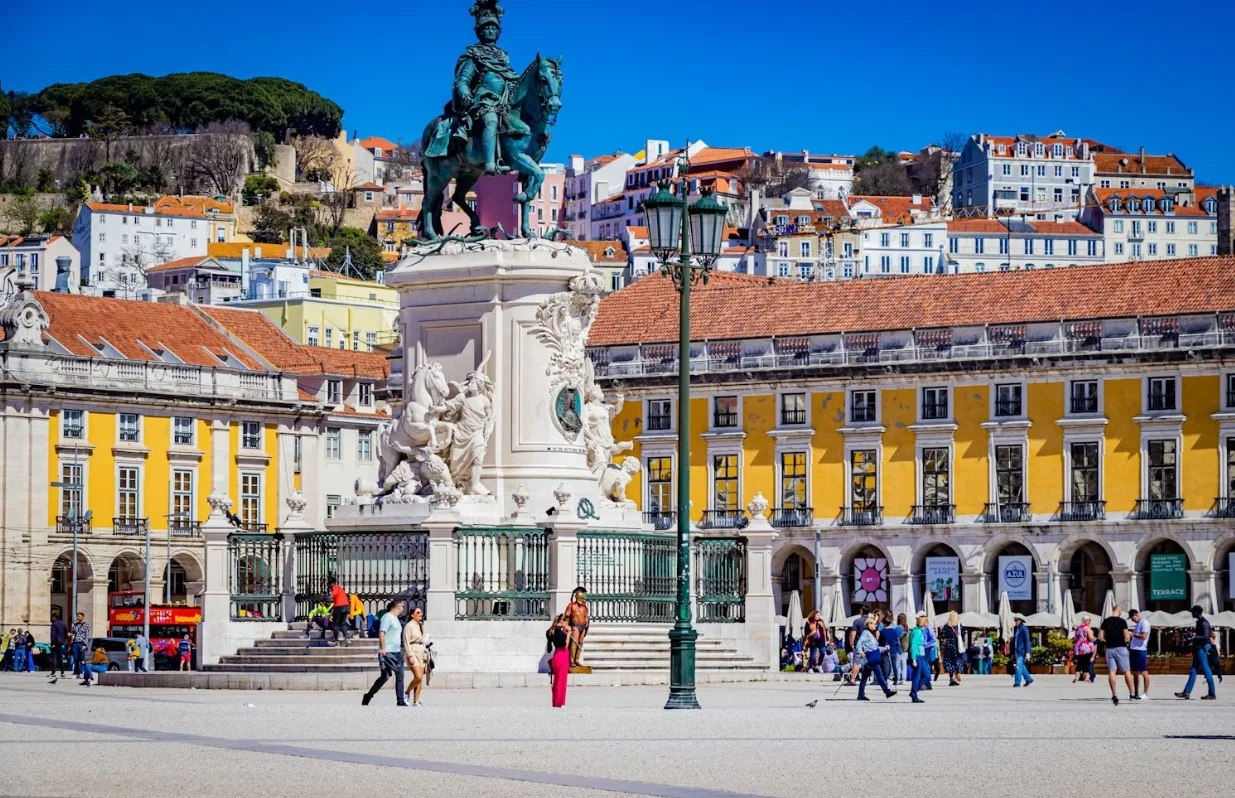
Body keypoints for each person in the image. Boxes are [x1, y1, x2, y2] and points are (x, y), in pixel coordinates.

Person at [362, 599, 407, 707]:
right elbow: (382, 633)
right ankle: (369, 695)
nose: (403, 609)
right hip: (388, 651)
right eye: (403, 607)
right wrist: (383, 649)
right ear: (398, 606)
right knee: (387, 676)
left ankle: (399, 700)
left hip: (397, 651)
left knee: (395, 675)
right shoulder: (387, 617)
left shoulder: (396, 618)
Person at [1176, 605, 1217, 700]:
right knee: (1193, 671)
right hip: (1197, 649)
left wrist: (1193, 636)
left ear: (1196, 612)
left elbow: (1206, 637)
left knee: (1207, 671)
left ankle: (1212, 693)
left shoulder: (1204, 623)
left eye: (1192, 612)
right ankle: (1186, 692)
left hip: (1201, 650)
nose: (1191, 613)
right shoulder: (1200, 622)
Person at [1098, 605, 1133, 705]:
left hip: (1109, 649)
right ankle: (1132, 694)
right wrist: (1129, 636)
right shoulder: (1122, 621)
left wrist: (1108, 640)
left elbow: (1100, 637)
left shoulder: (1105, 621)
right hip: (1121, 648)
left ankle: (1114, 694)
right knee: (1127, 671)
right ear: (1119, 611)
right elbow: (1126, 637)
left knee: (1112, 671)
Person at [855, 616, 896, 701]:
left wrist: (883, 648)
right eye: (874, 624)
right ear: (869, 624)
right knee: (879, 674)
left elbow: (874, 647)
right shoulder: (866, 633)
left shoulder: (870, 633)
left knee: (864, 677)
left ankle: (861, 694)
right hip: (871, 659)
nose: (876, 626)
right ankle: (887, 691)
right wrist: (861, 652)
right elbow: (859, 644)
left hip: (870, 657)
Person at [402, 607, 430, 707]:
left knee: (420, 679)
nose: (420, 614)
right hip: (413, 650)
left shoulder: (421, 625)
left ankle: (416, 701)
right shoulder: (409, 626)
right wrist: (410, 655)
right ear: (412, 615)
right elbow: (406, 641)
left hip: (422, 651)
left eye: (421, 612)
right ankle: (406, 693)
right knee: (418, 676)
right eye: (418, 612)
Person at [546, 614, 570, 708]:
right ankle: (560, 702)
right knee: (562, 681)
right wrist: (568, 634)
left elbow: (550, 647)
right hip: (562, 656)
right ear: (563, 621)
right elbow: (565, 645)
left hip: (556, 656)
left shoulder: (552, 631)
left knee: (556, 681)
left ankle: (556, 702)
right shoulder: (559, 632)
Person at [1128, 609, 1151, 700]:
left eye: (1132, 618)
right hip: (1134, 650)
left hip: (1140, 650)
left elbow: (1144, 636)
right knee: (1135, 672)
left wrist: (1133, 634)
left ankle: (1145, 693)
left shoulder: (1144, 623)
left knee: (1144, 672)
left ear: (1136, 615)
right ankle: (1136, 692)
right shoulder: (1139, 623)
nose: (1132, 620)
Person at [565, 587, 589, 668]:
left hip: (583, 627)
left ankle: (577, 660)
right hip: (575, 626)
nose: (583, 599)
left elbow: (586, 616)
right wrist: (566, 626)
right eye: (582, 597)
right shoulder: (572, 606)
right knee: (575, 642)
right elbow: (566, 616)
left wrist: (586, 621)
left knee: (580, 642)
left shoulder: (584, 606)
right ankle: (571, 660)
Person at [879, 613, 905, 685]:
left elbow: (880, 642)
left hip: (885, 650)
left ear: (884, 623)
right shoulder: (894, 631)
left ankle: (886, 678)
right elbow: (896, 640)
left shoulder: (882, 632)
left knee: (886, 664)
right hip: (893, 649)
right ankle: (896, 679)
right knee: (894, 665)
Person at [908, 612, 928, 703]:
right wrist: (914, 659)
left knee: (926, 675)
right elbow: (913, 645)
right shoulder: (917, 632)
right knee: (917, 676)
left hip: (920, 655)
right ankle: (914, 694)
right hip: (917, 656)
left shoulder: (919, 631)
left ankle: (913, 692)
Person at [847, 604, 870, 684]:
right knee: (869, 662)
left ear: (862, 611)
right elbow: (877, 633)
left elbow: (853, 633)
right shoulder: (871, 621)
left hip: (858, 645)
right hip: (869, 645)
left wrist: (852, 643)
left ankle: (852, 679)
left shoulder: (857, 621)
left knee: (856, 662)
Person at [941, 612, 963, 686]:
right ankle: (957, 676)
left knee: (949, 661)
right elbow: (962, 635)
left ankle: (951, 678)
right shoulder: (959, 626)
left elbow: (943, 636)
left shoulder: (946, 626)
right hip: (957, 645)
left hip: (948, 645)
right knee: (957, 660)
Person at [1072, 616, 1096, 683]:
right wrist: (1096, 639)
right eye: (1089, 620)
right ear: (1086, 620)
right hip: (1086, 647)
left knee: (1079, 663)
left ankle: (1076, 678)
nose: (1090, 622)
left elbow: (1075, 638)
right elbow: (1091, 638)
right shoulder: (1087, 627)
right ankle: (1086, 678)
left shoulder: (1078, 627)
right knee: (1087, 663)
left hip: (1078, 648)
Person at [1011, 616, 1034, 687]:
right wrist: (1012, 652)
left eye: (1016, 620)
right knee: (1021, 666)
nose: (1015, 622)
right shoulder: (1015, 629)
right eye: (1015, 620)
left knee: (1018, 666)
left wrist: (1028, 652)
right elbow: (1014, 641)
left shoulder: (1024, 629)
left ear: (1020, 621)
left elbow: (1027, 641)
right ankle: (1029, 679)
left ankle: (1017, 682)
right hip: (1016, 650)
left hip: (1022, 651)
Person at [327, 578, 350, 646]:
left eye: (329, 585)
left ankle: (335, 640)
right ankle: (347, 638)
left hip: (339, 607)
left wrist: (328, 598)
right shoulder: (340, 588)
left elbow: (332, 595)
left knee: (335, 624)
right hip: (346, 607)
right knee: (342, 623)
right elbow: (337, 598)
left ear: (332, 583)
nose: (328, 587)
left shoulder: (335, 587)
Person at [69, 613, 90, 678]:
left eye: (79, 616)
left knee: (81, 658)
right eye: (77, 616)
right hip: (75, 643)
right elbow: (73, 633)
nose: (77, 617)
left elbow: (87, 635)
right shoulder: (75, 625)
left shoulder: (86, 625)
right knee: (75, 659)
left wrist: (84, 644)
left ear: (83, 617)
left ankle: (81, 672)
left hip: (81, 643)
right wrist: (70, 634)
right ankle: (76, 672)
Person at [920, 617, 938, 691]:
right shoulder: (925, 628)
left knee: (925, 666)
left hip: (927, 650)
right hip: (926, 650)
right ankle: (927, 684)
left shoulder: (928, 628)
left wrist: (926, 645)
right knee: (926, 666)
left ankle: (925, 683)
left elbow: (934, 639)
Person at [49, 614, 68, 679]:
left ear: (54, 617)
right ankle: (62, 672)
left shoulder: (54, 624)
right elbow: (65, 634)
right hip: (60, 642)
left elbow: (53, 634)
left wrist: (52, 643)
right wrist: (63, 640)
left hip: (55, 642)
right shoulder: (63, 624)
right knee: (60, 658)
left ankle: (53, 672)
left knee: (54, 657)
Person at [896, 614, 911, 684]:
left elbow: (896, 638)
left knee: (898, 665)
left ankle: (898, 678)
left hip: (900, 648)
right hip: (906, 648)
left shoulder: (898, 628)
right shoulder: (907, 628)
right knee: (904, 664)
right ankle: (903, 679)